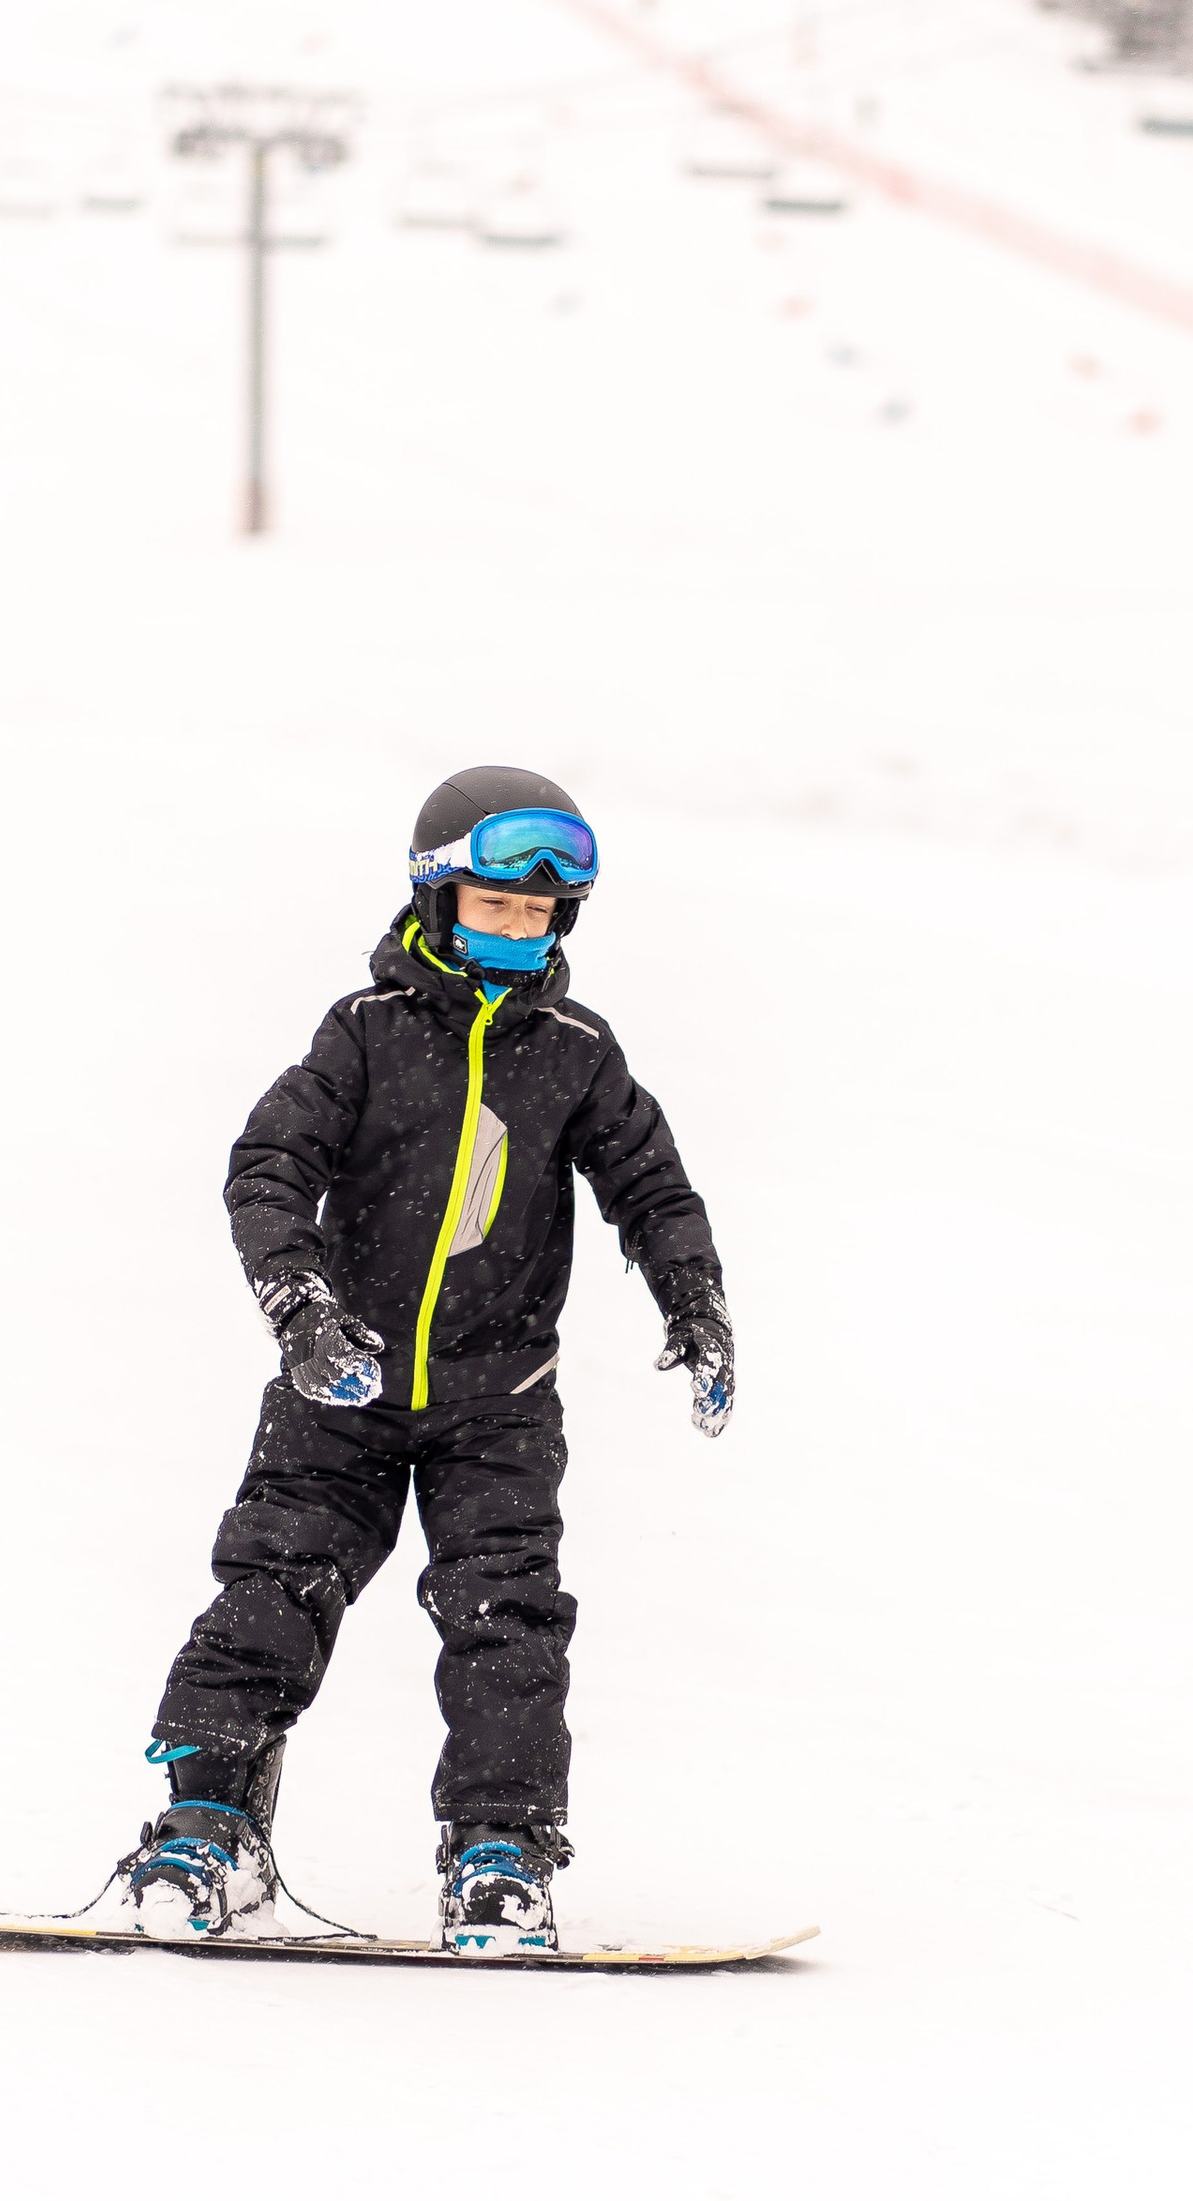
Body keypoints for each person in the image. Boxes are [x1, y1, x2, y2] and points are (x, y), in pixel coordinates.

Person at [116, 765, 731, 1951]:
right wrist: (299, 1306)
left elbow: (651, 1187)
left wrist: (693, 1296)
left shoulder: (575, 1053)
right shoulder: (364, 1036)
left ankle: (499, 1857)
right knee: (270, 1597)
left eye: (541, 911)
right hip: (333, 1394)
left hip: (497, 1409)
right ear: (436, 898)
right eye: (495, 904)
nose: (519, 927)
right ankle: (208, 1831)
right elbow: (268, 1169)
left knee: (507, 1625)